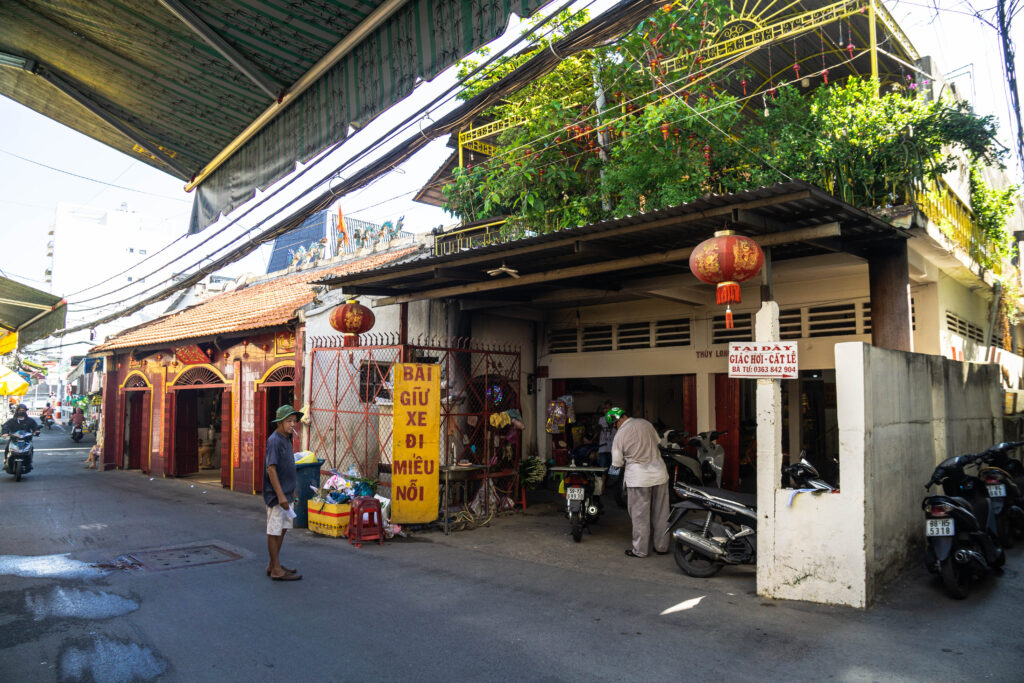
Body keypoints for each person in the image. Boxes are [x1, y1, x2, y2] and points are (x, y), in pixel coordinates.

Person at [606, 407, 670, 558]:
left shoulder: (620, 435)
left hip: (639, 478)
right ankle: (662, 547)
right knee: (662, 513)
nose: (615, 428)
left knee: (640, 516)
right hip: (659, 474)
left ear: (616, 422)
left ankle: (640, 550)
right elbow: (657, 442)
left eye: (614, 425)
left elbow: (617, 462)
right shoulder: (645, 423)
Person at [263, 404, 303, 581]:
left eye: (294, 421)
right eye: (289, 421)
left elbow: (288, 467)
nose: (293, 424)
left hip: (287, 492)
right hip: (276, 495)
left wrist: (292, 491)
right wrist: (280, 495)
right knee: (274, 530)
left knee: (283, 529)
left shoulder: (287, 439)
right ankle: (276, 569)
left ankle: (274, 563)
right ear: (279, 422)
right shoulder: (274, 441)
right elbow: (271, 469)